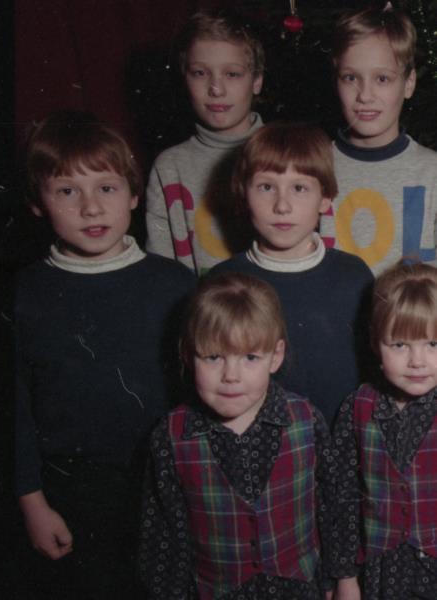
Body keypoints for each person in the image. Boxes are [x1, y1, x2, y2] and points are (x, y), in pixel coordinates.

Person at [14, 110, 194, 598]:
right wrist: (32, 502)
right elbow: (15, 409)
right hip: (70, 491)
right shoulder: (26, 293)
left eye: (107, 188)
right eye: (67, 192)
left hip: (169, 482)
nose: (91, 208)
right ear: (38, 203)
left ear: (134, 194)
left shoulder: (175, 285)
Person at [139, 272, 334, 599]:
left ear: (276, 356)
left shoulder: (306, 420)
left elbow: (331, 509)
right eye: (213, 357)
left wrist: (333, 581)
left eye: (250, 357)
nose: (231, 376)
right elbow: (162, 539)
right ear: (187, 355)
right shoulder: (170, 437)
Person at [209, 121, 373, 423]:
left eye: (299, 188)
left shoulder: (354, 276)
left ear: (325, 198)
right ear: (243, 194)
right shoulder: (222, 282)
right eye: (266, 187)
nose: (282, 206)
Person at [328, 263, 437, 600]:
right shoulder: (357, 407)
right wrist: (345, 577)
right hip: (383, 572)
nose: (417, 361)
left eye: (433, 343)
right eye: (400, 344)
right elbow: (341, 498)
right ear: (376, 343)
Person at [319, 5, 437, 275]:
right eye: (351, 78)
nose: (365, 95)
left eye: (382, 78)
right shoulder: (313, 166)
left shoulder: (432, 172)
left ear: (409, 83)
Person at [145, 9, 265, 274]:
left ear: (257, 80)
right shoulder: (169, 167)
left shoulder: (285, 153)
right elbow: (160, 271)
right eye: (200, 73)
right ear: (184, 77)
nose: (216, 89)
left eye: (232, 74)